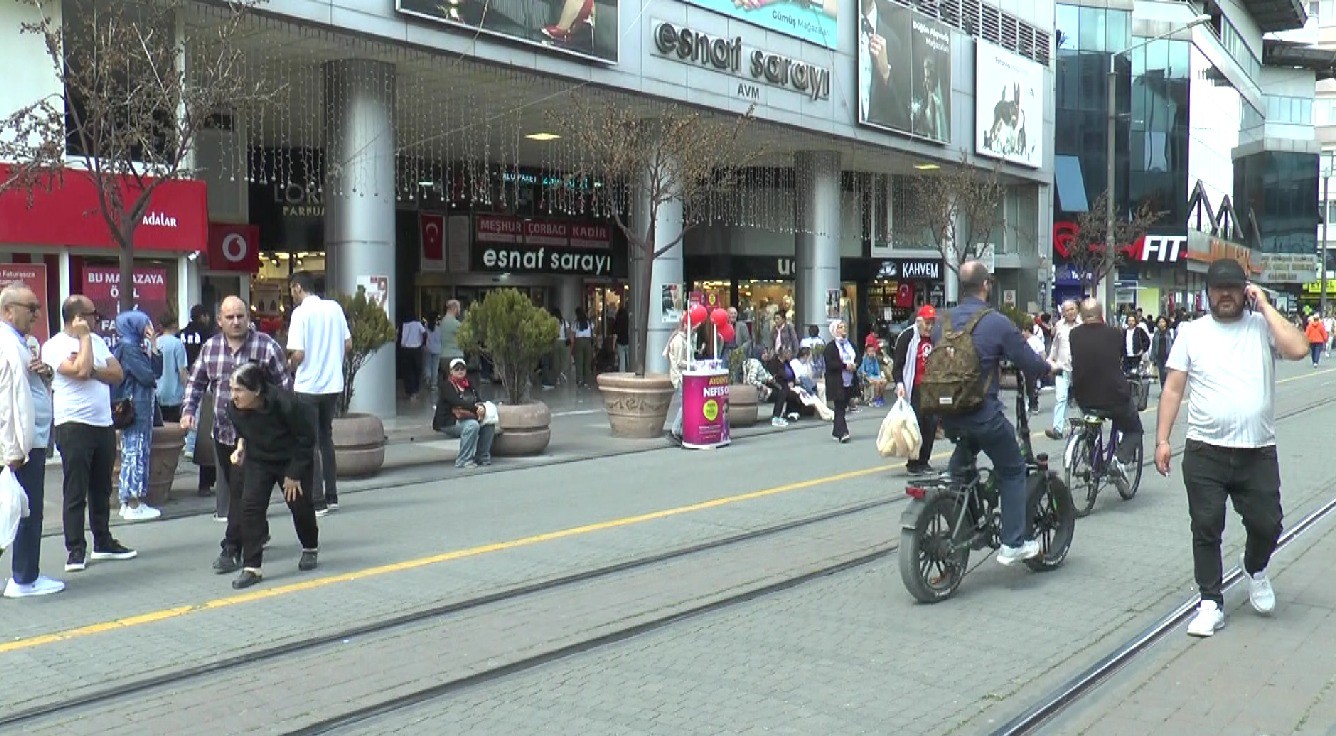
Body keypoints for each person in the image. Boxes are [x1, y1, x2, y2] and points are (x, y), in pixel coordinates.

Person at [1155, 259, 1309, 638]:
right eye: (1218, 289)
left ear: (1245, 291)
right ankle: (1210, 601)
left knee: (1268, 524)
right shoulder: (1192, 332)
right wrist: (1161, 439)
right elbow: (1174, 388)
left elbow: (1299, 349)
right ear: (1207, 293)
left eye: (1234, 288)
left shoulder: (1261, 327)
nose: (1226, 295)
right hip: (1205, 451)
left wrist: (1266, 305)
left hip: (1256, 452)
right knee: (1206, 527)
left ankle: (1255, 569)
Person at [935, 261, 1054, 566]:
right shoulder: (996, 322)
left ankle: (957, 502)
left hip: (947, 412)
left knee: (962, 460)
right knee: (1013, 468)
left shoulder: (943, 321)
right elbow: (1028, 362)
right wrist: (1048, 370)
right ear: (986, 285)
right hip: (982, 412)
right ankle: (1013, 543)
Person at [180, 296, 292, 573]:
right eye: (229, 317)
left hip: (256, 436)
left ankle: (231, 547)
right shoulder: (211, 348)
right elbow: (196, 383)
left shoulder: (266, 346)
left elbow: (285, 387)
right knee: (236, 490)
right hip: (224, 433)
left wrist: (279, 420)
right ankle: (257, 530)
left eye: (240, 316)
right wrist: (188, 411)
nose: (236, 321)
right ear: (219, 321)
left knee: (242, 493)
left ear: (248, 317)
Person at [41, 295, 137, 573]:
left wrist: (93, 366)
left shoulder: (97, 342)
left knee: (101, 487)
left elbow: (117, 373)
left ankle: (103, 541)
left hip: (102, 422)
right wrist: (84, 345)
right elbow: (79, 372)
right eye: (93, 314)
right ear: (78, 318)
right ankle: (75, 549)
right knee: (75, 489)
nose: (98, 318)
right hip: (73, 424)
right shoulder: (54, 346)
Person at [223, 362, 320, 589]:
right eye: (231, 389)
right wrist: (240, 448)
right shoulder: (233, 408)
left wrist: (294, 474)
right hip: (259, 459)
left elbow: (306, 438)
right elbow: (243, 431)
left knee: (299, 504)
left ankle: (310, 547)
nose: (233, 396)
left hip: (291, 458)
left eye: (239, 390)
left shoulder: (286, 404)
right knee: (250, 506)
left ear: (256, 391)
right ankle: (252, 566)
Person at [0, 284, 63, 597]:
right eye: (31, 307)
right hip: (22, 445)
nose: (37, 315)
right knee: (25, 510)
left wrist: (45, 373)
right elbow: (7, 402)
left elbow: (30, 389)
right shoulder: (7, 345)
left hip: (28, 440)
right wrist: (14, 449)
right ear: (9, 310)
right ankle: (24, 578)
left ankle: (24, 575)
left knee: (19, 507)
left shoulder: (22, 343)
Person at [287, 271, 351, 515]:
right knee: (326, 438)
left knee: (309, 442)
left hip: (308, 386)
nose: (292, 294)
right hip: (333, 384)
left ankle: (317, 500)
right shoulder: (334, 308)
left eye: (292, 289)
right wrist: (333, 361)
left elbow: (299, 353)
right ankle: (332, 494)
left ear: (297, 288)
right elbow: (348, 344)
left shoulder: (300, 313)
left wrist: (289, 364)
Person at [1069, 298, 1144, 493]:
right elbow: (1122, 358)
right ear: (1101, 315)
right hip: (1114, 396)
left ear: (1081, 316)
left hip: (1083, 396)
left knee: (1092, 424)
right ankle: (1119, 461)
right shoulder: (1114, 334)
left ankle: (1093, 458)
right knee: (1134, 428)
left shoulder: (1074, 335)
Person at [111, 310, 164, 521]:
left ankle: (127, 501)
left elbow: (156, 372)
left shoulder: (130, 346)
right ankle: (134, 502)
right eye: (145, 323)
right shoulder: (130, 348)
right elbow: (149, 376)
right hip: (137, 406)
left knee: (133, 451)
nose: (149, 327)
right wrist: (151, 350)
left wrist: (154, 347)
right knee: (136, 452)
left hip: (138, 406)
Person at [892, 304, 940, 474]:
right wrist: (899, 383)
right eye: (927, 323)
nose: (929, 327)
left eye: (932, 323)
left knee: (932, 423)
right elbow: (897, 364)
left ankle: (924, 460)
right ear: (918, 322)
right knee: (916, 424)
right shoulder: (907, 338)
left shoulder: (934, 338)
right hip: (914, 388)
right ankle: (913, 462)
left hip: (931, 388)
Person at [432, 358, 495, 468]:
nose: (460, 371)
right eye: (456, 369)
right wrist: (475, 409)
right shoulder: (447, 385)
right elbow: (456, 401)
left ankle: (482, 456)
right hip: (449, 421)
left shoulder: (468, 384)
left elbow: (477, 399)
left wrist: (481, 407)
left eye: (462, 369)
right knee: (472, 426)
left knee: (489, 424)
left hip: (468, 416)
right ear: (451, 371)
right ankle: (464, 459)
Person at [1045, 300, 1078, 439]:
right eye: (1067, 310)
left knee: (1082, 399)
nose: (1071, 312)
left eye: (1073, 309)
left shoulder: (1082, 325)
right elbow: (1055, 346)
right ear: (1063, 313)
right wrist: (1050, 361)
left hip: (1078, 369)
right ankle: (1057, 429)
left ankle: (1087, 428)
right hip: (1062, 367)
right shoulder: (1059, 326)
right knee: (1061, 398)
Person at [823, 320, 857, 443]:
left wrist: (855, 365)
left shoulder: (850, 345)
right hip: (836, 381)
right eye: (840, 327)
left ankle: (836, 430)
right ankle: (843, 432)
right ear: (834, 330)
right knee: (839, 406)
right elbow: (830, 363)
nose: (843, 329)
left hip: (849, 380)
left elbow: (857, 356)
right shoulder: (830, 347)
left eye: (844, 327)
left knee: (843, 406)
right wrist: (844, 366)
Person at [663, 317, 694, 443]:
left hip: (684, 375)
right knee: (685, 404)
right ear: (685, 325)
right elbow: (680, 361)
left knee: (685, 403)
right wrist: (693, 365)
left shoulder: (685, 339)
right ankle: (675, 430)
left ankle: (680, 431)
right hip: (680, 376)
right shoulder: (679, 340)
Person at [155, 313, 188, 424]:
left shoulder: (155, 343)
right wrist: (188, 389)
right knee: (174, 429)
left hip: (157, 392)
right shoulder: (177, 344)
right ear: (174, 324)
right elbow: (182, 370)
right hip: (174, 395)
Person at [399, 313, 427, 402]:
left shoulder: (403, 325)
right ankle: (415, 390)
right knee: (417, 371)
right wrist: (423, 343)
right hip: (417, 349)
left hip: (406, 349)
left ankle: (409, 391)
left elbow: (400, 337)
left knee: (407, 371)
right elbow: (424, 333)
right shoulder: (418, 324)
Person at [858, 334, 887, 407]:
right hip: (868, 377)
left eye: (872, 351)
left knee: (884, 381)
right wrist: (868, 378)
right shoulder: (864, 360)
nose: (871, 352)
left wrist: (881, 377)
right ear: (867, 352)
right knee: (877, 383)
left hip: (875, 376)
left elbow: (877, 371)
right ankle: (875, 399)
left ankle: (880, 397)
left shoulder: (875, 360)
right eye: (870, 351)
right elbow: (862, 371)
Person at [439, 299, 464, 380]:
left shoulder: (442, 322)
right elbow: (465, 337)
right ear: (454, 308)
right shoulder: (455, 323)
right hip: (455, 356)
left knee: (447, 383)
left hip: (443, 356)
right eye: (459, 308)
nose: (459, 310)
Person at [1148, 315, 1175, 390]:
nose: (1161, 324)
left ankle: (1168, 390)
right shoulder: (1156, 334)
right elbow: (1154, 345)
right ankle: (1163, 390)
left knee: (1168, 375)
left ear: (1166, 323)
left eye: (1163, 322)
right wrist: (1152, 357)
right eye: (1159, 322)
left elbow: (1173, 344)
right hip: (1159, 356)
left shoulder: (1170, 332)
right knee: (1161, 375)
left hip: (1168, 356)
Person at [572, 307, 595, 388]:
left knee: (579, 362)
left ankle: (579, 380)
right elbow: (593, 332)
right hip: (588, 342)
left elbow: (573, 334)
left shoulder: (576, 323)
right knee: (587, 362)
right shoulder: (589, 322)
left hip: (579, 341)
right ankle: (586, 381)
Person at [423, 313, 442, 393]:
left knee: (428, 364)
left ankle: (428, 377)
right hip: (437, 349)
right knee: (435, 367)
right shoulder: (439, 329)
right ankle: (433, 384)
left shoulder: (425, 328)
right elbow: (441, 339)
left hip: (428, 348)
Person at [614, 304, 630, 372]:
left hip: (620, 341)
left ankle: (622, 373)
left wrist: (613, 344)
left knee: (622, 359)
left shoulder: (617, 320)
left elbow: (615, 332)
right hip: (628, 341)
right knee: (629, 358)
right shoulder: (627, 319)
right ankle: (630, 371)